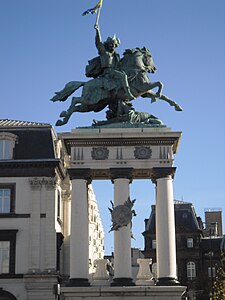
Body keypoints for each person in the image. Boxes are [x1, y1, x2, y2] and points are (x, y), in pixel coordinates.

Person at [94, 24, 135, 100]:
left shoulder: (117, 55)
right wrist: (97, 31)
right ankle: (128, 93)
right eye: (111, 44)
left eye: (114, 44)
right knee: (123, 76)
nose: (112, 45)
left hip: (115, 71)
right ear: (107, 45)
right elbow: (98, 43)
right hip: (108, 72)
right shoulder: (104, 52)